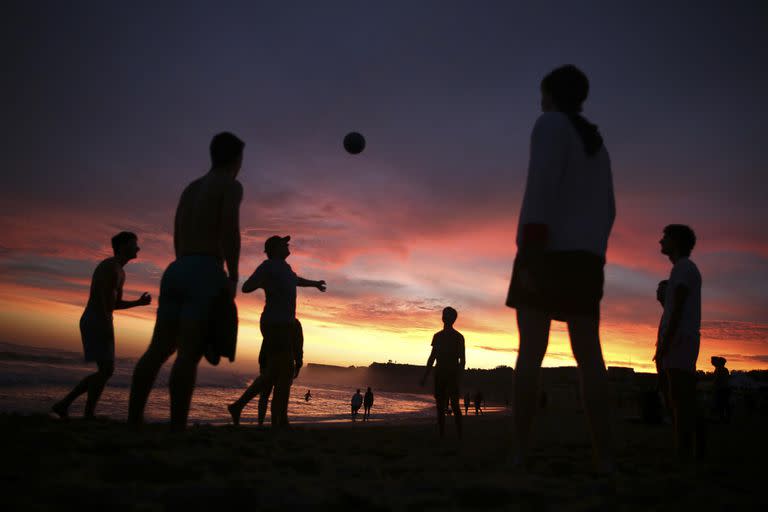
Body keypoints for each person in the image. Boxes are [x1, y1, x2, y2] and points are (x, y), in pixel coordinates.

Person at [505, 65, 615, 472]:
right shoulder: (596, 145)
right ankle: (605, 458)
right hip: (585, 260)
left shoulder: (548, 124)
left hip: (546, 251)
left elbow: (540, 188)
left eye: (542, 93)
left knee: (530, 355)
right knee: (590, 358)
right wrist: (595, 255)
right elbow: (609, 209)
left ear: (550, 94)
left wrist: (531, 253)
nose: (540, 101)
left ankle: (520, 453)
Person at [128, 132, 244, 431]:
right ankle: (177, 426)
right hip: (204, 269)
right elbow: (230, 230)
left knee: (158, 349)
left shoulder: (191, 188)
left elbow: (178, 233)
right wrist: (232, 274)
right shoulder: (230, 185)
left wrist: (185, 262)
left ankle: (133, 420)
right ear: (236, 159)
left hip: (177, 267)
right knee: (188, 353)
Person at [52, 232, 151, 419]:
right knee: (106, 370)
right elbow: (104, 302)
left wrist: (138, 302)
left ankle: (80, 410)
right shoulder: (110, 267)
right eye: (133, 244)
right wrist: (106, 326)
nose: (137, 248)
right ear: (122, 246)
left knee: (105, 371)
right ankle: (67, 404)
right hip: (96, 320)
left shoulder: (120, 271)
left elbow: (114, 304)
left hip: (103, 319)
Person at [228, 236, 325, 427]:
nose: (287, 244)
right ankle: (280, 421)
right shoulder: (268, 266)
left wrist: (314, 284)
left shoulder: (285, 268)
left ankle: (240, 407)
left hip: (284, 324)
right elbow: (247, 287)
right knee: (285, 372)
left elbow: (296, 280)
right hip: (275, 323)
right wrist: (263, 282)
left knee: (274, 373)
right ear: (274, 248)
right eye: (283, 243)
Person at [654, 224, 702, 462]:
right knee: (677, 396)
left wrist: (666, 343)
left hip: (680, 339)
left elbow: (679, 309)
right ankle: (684, 448)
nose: (661, 241)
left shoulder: (684, 268)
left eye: (666, 237)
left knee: (681, 396)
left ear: (677, 242)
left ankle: (686, 450)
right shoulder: (680, 270)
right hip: (678, 339)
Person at [420, 307, 465, 438]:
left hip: (451, 375)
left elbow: (462, 360)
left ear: (452, 319)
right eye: (444, 314)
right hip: (439, 374)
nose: (444, 317)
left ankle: (459, 435)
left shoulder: (458, 337)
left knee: (455, 405)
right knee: (440, 407)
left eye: (446, 315)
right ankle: (442, 435)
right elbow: (432, 358)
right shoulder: (437, 336)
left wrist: (458, 378)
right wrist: (425, 376)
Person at [712, 356, 731, 423]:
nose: (712, 362)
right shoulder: (724, 370)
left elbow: (717, 380)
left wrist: (714, 387)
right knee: (724, 404)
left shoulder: (719, 369)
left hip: (721, 390)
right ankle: (724, 418)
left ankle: (722, 418)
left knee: (721, 404)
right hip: (724, 389)